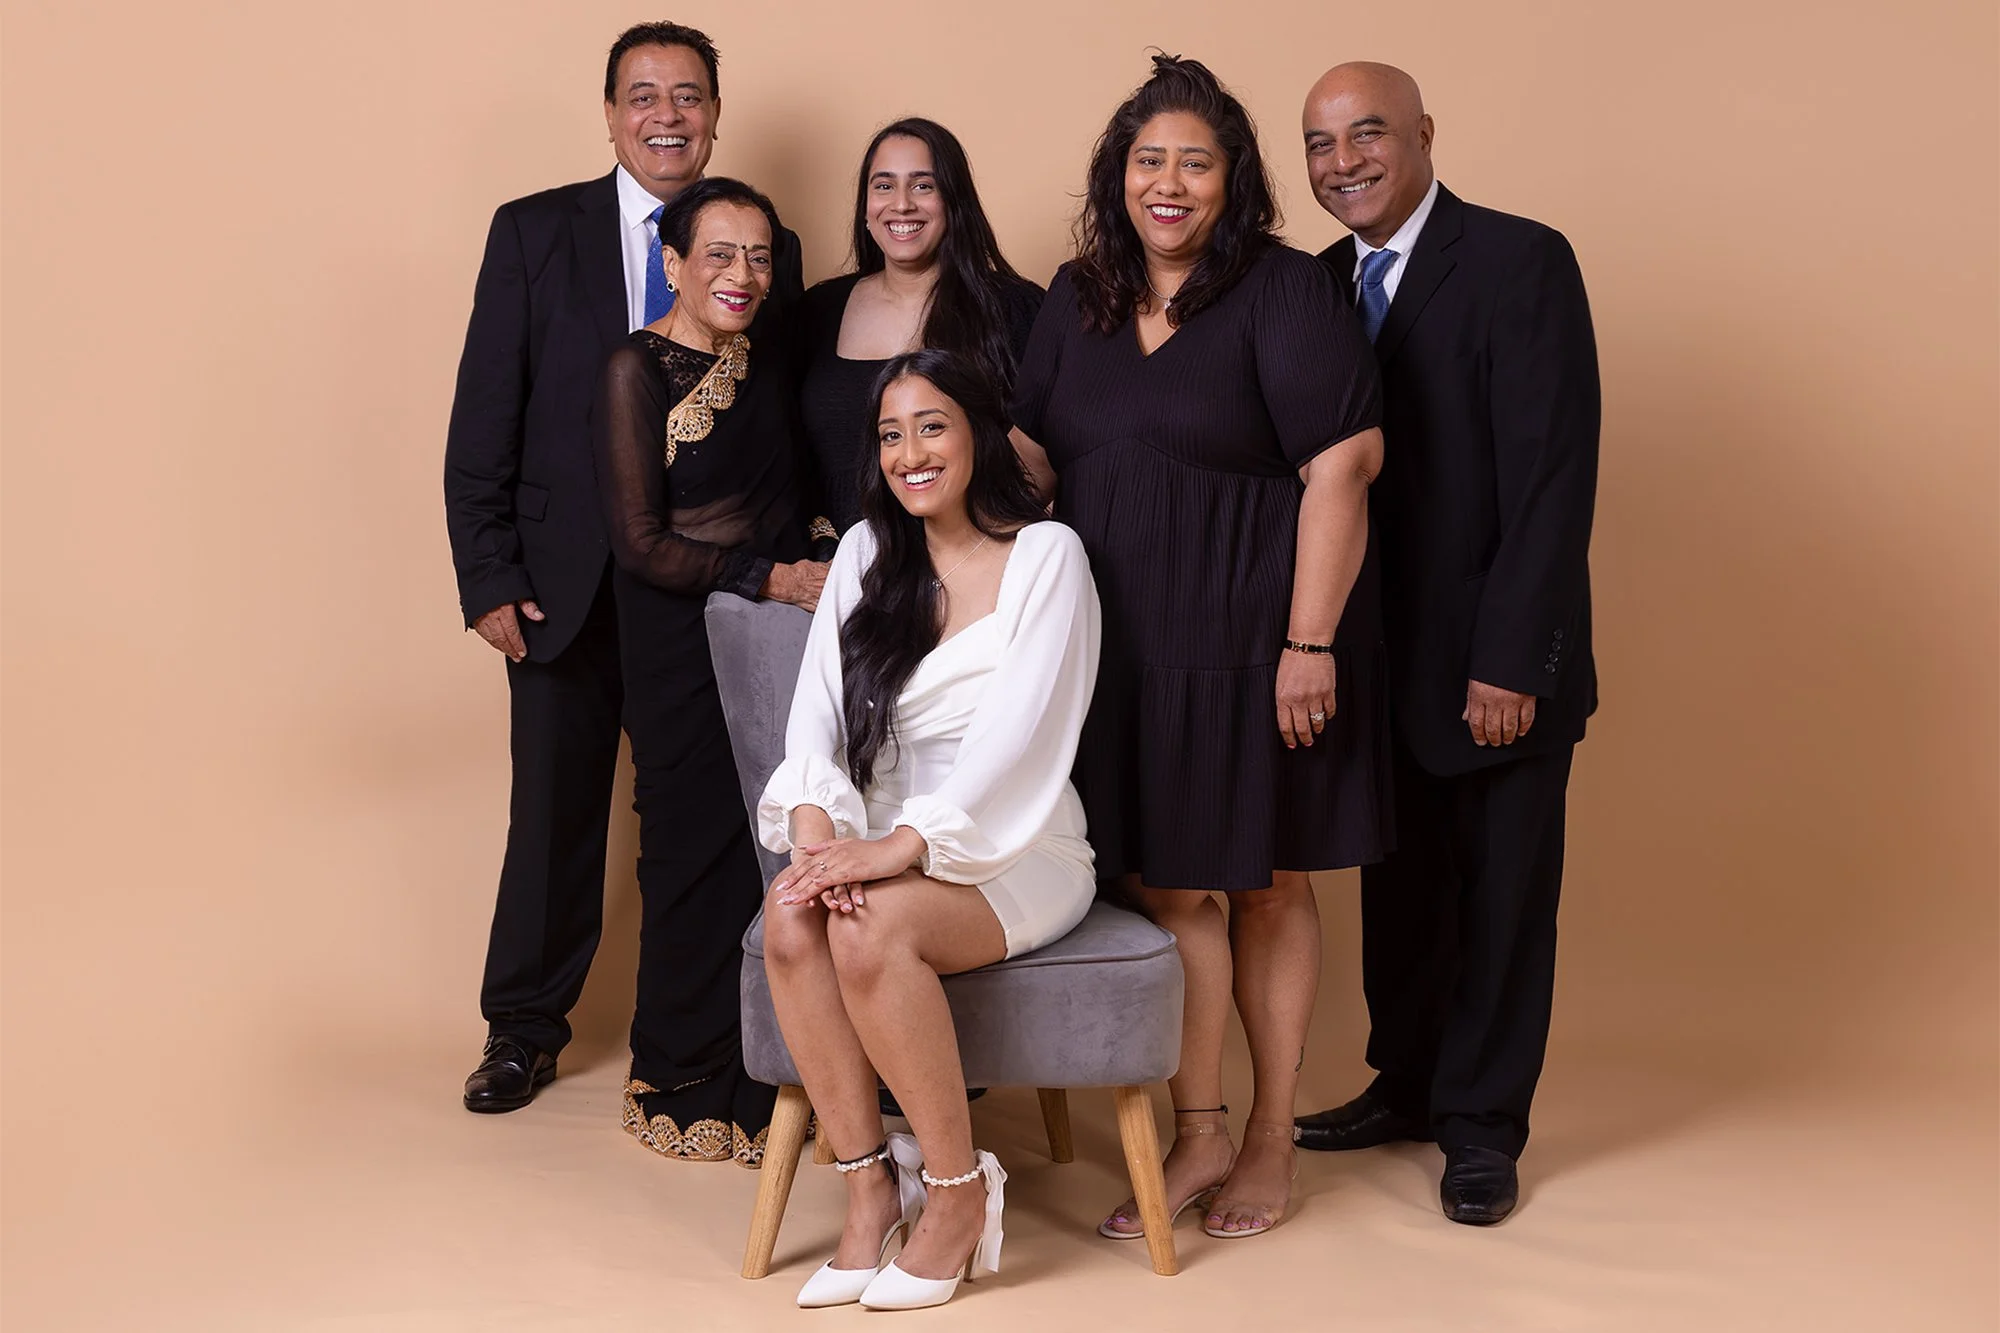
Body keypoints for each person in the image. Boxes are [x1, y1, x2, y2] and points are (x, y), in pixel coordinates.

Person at [1009, 56, 1391, 1241]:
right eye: (1146, 161)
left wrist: (1308, 642)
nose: (1167, 183)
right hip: (1115, 654)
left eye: (1194, 160)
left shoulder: (1283, 292)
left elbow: (1344, 466)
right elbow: (1026, 453)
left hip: (1253, 641)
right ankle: (1201, 1130)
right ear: (1115, 179)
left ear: (1231, 180)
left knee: (1267, 885)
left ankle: (1273, 1136)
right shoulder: (1075, 294)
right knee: (1173, 891)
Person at [443, 22, 803, 1114]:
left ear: (713, 114)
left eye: (687, 95)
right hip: (563, 587)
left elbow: (773, 418)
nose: (666, 115)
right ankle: (522, 1029)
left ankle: (725, 1033)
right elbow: (482, 416)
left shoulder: (754, 242)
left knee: (714, 819)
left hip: (712, 600)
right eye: (642, 95)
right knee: (553, 814)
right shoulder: (533, 233)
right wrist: (487, 573)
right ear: (608, 114)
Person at [1292, 62, 1600, 1226]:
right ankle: (1407, 1085)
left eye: (1367, 134)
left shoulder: (1521, 261)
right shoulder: (1316, 285)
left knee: (1501, 897)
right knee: (1402, 891)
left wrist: (1512, 658)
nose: (1344, 162)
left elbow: (1550, 480)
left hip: (1493, 660)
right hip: (1375, 663)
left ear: (1422, 134)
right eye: (1319, 145)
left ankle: (1480, 1126)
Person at [757, 349, 1100, 1309]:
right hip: (872, 832)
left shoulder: (1048, 556)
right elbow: (814, 716)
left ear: (981, 431)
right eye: (890, 433)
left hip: (1018, 837)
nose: (911, 452)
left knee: (868, 926)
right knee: (792, 912)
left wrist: (898, 849)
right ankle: (870, 1189)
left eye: (933, 425)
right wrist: (822, 846)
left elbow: (1020, 741)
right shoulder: (868, 550)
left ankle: (955, 1193)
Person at [593, 176, 831, 1164]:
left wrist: (820, 560)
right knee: (690, 850)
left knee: (767, 850)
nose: (742, 275)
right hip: (678, 638)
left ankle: (774, 1066)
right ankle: (681, 1071)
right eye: (720, 254)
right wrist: (773, 576)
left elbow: (796, 485)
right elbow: (641, 541)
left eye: (760, 256)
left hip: (774, 638)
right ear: (673, 262)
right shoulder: (631, 368)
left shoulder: (771, 353)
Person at [796, 118, 1044, 534]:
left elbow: (1046, 451)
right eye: (884, 185)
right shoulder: (817, 310)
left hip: (965, 568)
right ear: (865, 209)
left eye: (923, 185)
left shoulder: (1015, 307)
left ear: (954, 201)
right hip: (833, 570)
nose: (902, 204)